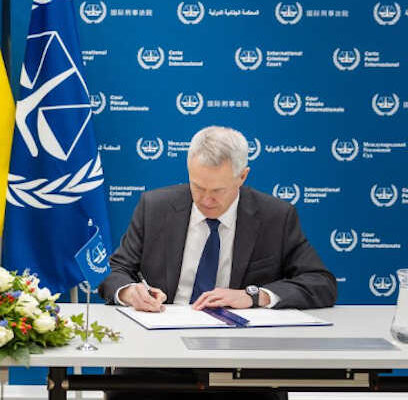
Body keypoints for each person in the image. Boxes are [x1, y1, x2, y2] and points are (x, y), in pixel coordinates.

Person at [98, 126, 336, 400]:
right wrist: (130, 292)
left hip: (240, 363)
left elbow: (321, 282)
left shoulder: (275, 217)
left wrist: (253, 296)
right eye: (197, 187)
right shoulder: (155, 207)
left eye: (218, 190)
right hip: (157, 359)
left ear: (242, 177)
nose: (206, 200)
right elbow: (116, 271)